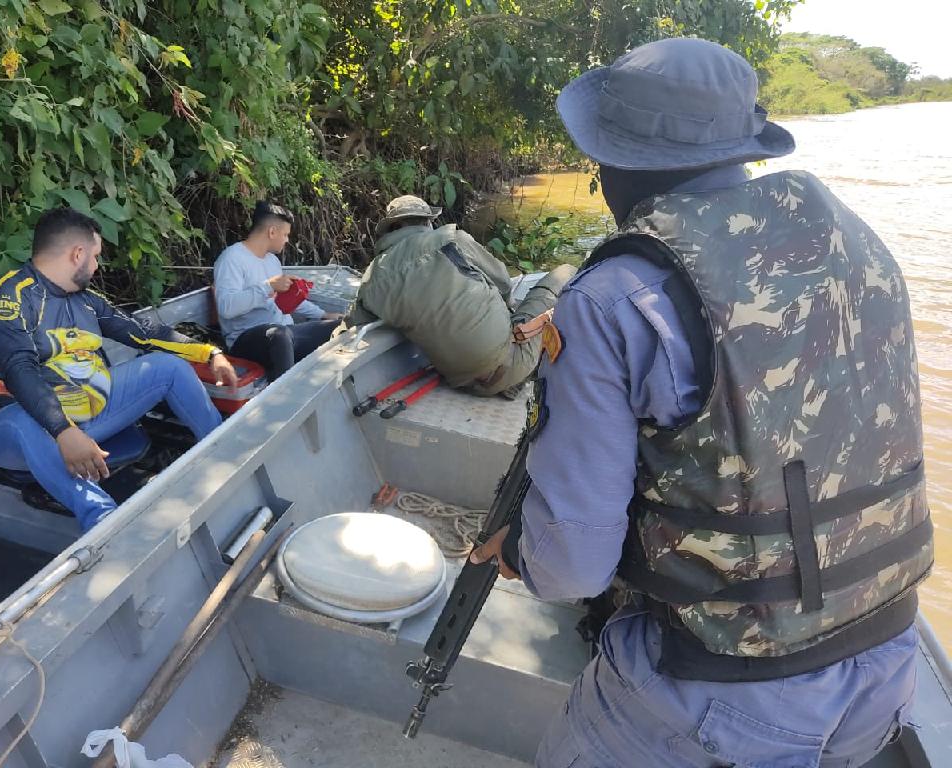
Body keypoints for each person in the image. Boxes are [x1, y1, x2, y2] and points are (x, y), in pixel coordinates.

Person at [470, 37, 932, 767]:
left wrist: (521, 557)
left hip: (725, 690)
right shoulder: (856, 238)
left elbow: (573, 570)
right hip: (888, 658)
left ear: (618, 162)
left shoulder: (611, 297)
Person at [0, 207, 238, 531]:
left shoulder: (85, 300)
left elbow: (143, 332)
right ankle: (103, 520)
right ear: (77, 253)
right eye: (94, 257)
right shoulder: (7, 296)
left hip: (85, 415)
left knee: (168, 366)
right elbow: (18, 368)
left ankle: (226, 449)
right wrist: (64, 431)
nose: (96, 266)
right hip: (9, 430)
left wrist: (210, 353)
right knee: (27, 418)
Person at [346, 195, 576, 397]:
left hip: (466, 382)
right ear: (428, 221)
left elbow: (356, 325)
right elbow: (504, 283)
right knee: (566, 272)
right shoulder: (451, 239)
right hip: (511, 361)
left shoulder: (371, 279)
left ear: (391, 229)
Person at [213, 202, 342, 382]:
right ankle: (285, 398)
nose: (287, 240)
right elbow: (226, 308)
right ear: (272, 232)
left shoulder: (272, 261)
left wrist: (323, 314)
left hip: (286, 333)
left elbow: (285, 302)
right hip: (247, 340)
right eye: (286, 234)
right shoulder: (231, 259)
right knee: (279, 335)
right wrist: (268, 286)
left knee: (340, 325)